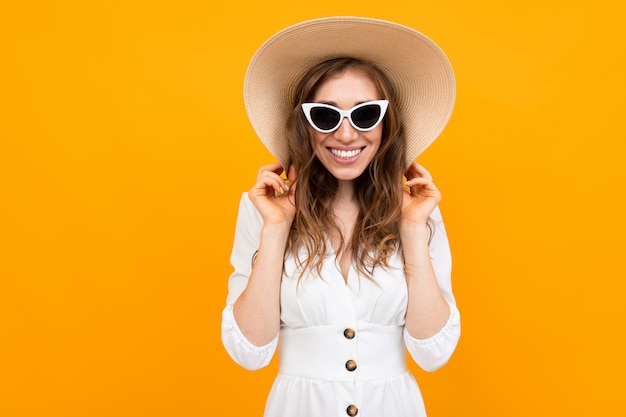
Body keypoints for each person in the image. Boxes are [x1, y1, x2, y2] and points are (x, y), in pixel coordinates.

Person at [221, 16, 461, 417]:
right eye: (327, 116)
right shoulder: (262, 211)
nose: (347, 135)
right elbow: (249, 351)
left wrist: (414, 229)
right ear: (306, 124)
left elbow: (434, 351)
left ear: (386, 124)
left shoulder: (418, 214)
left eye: (365, 114)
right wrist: (277, 228)